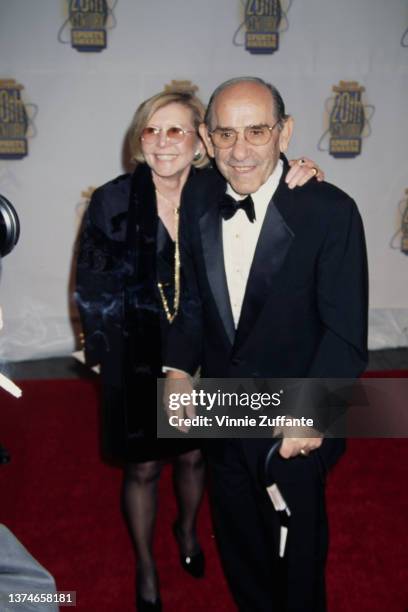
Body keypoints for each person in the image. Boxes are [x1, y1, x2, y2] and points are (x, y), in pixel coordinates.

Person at [75, 84, 325, 611]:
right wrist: (110, 361)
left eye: (177, 131)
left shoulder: (222, 189)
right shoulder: (113, 200)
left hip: (207, 357)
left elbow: (278, 191)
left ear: (201, 143)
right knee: (143, 468)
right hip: (136, 358)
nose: (162, 142)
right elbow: (93, 288)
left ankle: (187, 532)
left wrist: (305, 173)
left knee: (195, 458)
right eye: (151, 129)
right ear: (138, 139)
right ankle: (146, 566)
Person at [164, 77, 368, 611]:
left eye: (257, 131)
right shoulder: (197, 198)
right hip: (224, 418)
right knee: (240, 551)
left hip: (294, 428)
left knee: (298, 566)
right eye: (226, 134)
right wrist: (179, 369)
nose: (240, 149)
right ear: (206, 140)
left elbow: (346, 332)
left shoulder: (329, 211)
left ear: (285, 132)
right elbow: (191, 306)